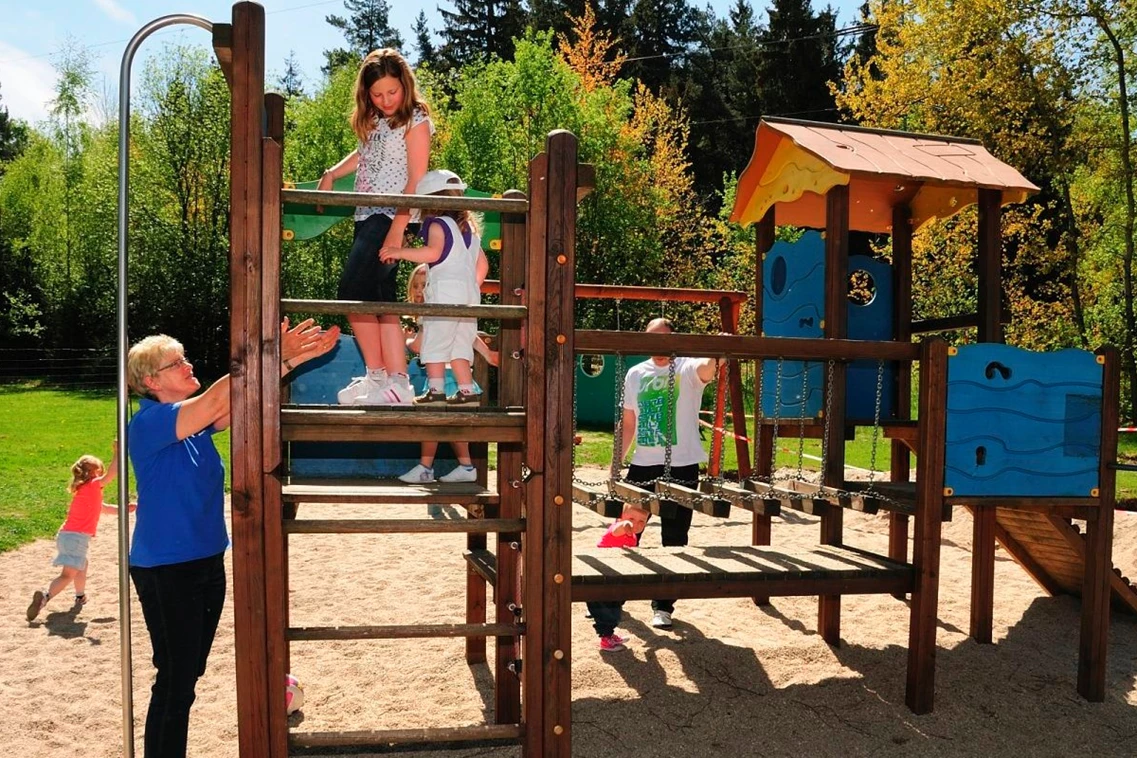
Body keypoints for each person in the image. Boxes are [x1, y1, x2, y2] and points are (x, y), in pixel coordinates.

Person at [126, 317, 338, 758]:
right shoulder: (150, 424)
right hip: (166, 569)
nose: (187, 365)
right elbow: (215, 399)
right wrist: (268, 350)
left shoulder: (192, 426)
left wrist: (288, 360)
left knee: (188, 672)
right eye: (175, 363)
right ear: (151, 381)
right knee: (175, 678)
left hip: (205, 563)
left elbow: (234, 400)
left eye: (184, 358)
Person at [319, 48, 433, 406]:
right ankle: (385, 380)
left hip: (392, 214)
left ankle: (393, 378)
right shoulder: (375, 120)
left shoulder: (415, 120)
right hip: (366, 212)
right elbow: (364, 154)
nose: (385, 100)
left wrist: (399, 228)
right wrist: (333, 173)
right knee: (376, 297)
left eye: (392, 92)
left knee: (353, 290)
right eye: (377, 94)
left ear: (405, 86)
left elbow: (416, 179)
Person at [618, 318, 721, 630]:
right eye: (653, 341)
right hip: (643, 463)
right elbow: (629, 422)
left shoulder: (687, 369)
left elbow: (708, 368)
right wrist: (616, 462)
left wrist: (718, 348)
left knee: (674, 538)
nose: (659, 349)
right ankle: (612, 596)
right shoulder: (636, 373)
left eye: (664, 341)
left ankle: (663, 606)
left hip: (682, 465)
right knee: (626, 530)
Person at [380, 169, 489, 404]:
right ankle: (468, 392)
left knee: (436, 340)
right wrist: (468, 286)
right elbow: (482, 266)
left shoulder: (437, 224)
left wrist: (399, 251)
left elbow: (433, 252)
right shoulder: (469, 229)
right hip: (469, 294)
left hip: (445, 292)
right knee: (461, 343)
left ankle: (436, 391)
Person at [397, 261, 498, 484]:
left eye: (425, 284)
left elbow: (418, 347)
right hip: (450, 378)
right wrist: (488, 354)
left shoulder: (432, 313)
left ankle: (451, 467)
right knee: (438, 426)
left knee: (443, 427)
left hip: (446, 379)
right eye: (416, 286)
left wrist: (405, 339)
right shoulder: (441, 310)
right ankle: (443, 467)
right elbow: (469, 335)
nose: (420, 290)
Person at [25, 444, 135, 622]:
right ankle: (44, 598)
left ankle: (80, 596)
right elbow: (113, 474)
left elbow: (103, 508)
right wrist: (117, 453)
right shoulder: (92, 486)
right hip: (76, 537)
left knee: (82, 565)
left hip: (67, 536)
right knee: (67, 575)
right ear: (95, 473)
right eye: (100, 471)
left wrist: (124, 508)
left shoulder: (84, 490)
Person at [586, 504, 649, 652]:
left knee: (615, 607)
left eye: (642, 521)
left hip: (614, 577)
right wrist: (625, 524)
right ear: (620, 517)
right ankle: (605, 639)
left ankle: (610, 635)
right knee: (606, 612)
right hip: (601, 578)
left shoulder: (632, 536)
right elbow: (618, 529)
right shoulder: (617, 529)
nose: (636, 524)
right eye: (631, 518)